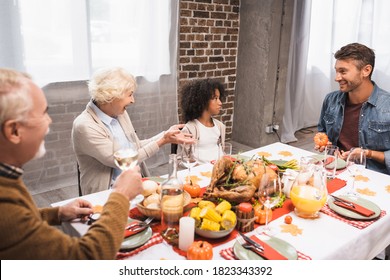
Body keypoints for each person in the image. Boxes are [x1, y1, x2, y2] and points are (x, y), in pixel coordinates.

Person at [0, 68, 144, 259]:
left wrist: (56, 213)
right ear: (14, 131)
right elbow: (86, 257)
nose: (49, 121)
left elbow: (17, 222)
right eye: (44, 113)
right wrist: (121, 195)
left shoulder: (8, 180)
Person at [72, 67, 194, 195]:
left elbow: (134, 147)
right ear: (112, 96)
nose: (132, 100)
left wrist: (165, 135)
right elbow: (124, 161)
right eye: (129, 94)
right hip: (106, 195)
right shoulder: (84, 126)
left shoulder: (119, 113)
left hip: (135, 186)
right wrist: (162, 141)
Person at [317, 43, 390, 175]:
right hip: (336, 171)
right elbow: (322, 131)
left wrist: (367, 154)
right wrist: (327, 145)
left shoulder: (387, 106)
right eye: (337, 71)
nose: (337, 77)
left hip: (375, 177)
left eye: (343, 71)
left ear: (366, 71)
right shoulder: (330, 99)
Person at [180, 78, 226, 164]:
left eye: (219, 98)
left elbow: (221, 151)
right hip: (200, 172)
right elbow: (182, 159)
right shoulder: (190, 129)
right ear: (203, 101)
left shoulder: (220, 126)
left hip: (219, 170)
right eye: (215, 98)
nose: (220, 103)